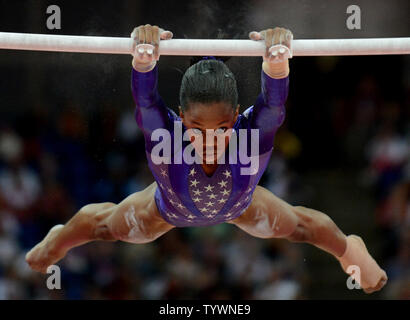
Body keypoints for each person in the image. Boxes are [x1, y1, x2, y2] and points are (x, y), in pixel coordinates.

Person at [26, 24, 387, 294]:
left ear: (236, 118)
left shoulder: (251, 135)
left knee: (303, 228)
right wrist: (143, 61)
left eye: (222, 128)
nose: (208, 139)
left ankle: (350, 251)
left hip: (240, 206)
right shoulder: (166, 134)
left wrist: (276, 65)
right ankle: (54, 242)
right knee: (103, 227)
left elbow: (273, 104)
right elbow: (147, 103)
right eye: (196, 128)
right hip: (165, 209)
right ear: (181, 117)